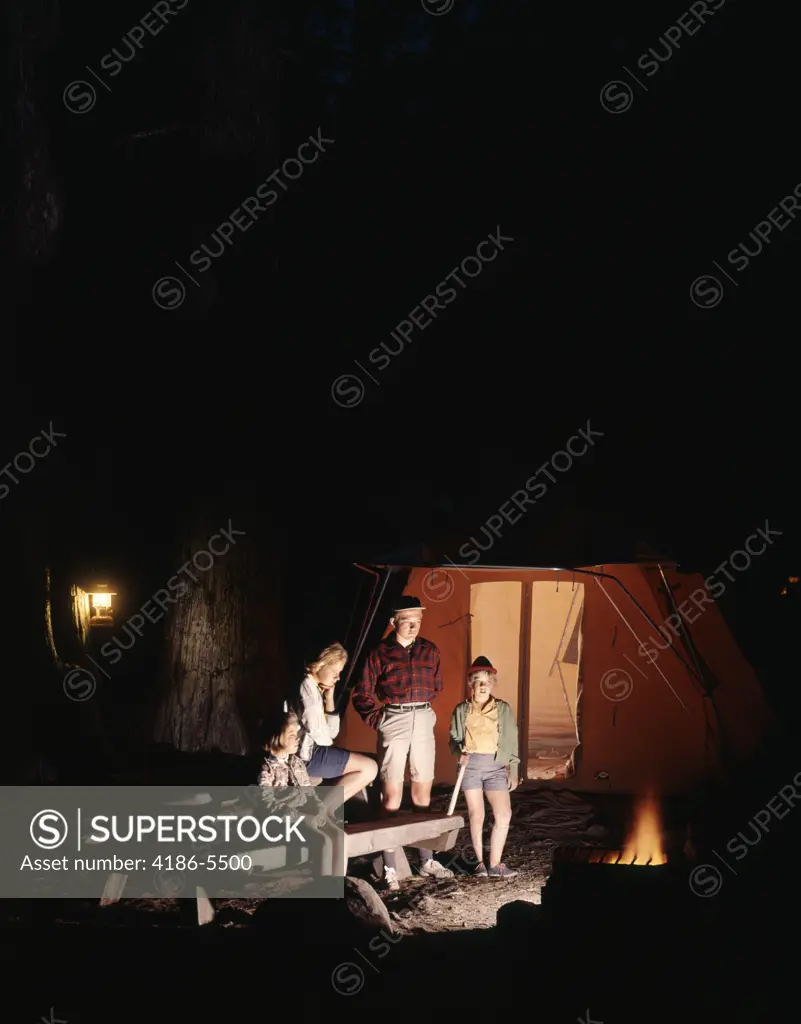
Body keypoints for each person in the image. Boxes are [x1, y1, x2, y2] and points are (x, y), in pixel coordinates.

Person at [352, 595, 453, 890]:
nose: (413, 627)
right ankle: (391, 868)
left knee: (422, 790)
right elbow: (363, 692)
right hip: (394, 718)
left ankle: (426, 859)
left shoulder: (429, 651)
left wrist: (422, 712)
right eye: (407, 621)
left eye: (417, 621)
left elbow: (437, 685)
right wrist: (379, 719)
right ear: (393, 622)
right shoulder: (380, 653)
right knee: (392, 796)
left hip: (422, 716)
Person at [449, 656, 520, 878]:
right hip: (471, 767)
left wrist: (513, 769)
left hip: (496, 766)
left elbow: (512, 739)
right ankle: (479, 864)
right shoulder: (462, 710)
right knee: (476, 815)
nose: (482, 685)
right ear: (471, 683)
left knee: (504, 814)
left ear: (492, 684)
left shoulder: (503, 709)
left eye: (487, 681)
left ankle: (496, 864)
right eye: (478, 681)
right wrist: (458, 753)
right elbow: (453, 739)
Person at [258, 709, 345, 876]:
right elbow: (267, 805)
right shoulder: (266, 769)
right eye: (291, 734)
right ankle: (324, 886)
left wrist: (318, 809)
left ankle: (338, 882)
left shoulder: (297, 762)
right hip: (283, 822)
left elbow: (309, 792)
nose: (297, 738)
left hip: (306, 816)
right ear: (276, 737)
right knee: (323, 841)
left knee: (339, 836)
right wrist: (302, 818)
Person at [295, 642, 378, 801]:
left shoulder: (315, 689)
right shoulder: (307, 692)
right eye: (335, 672)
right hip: (307, 757)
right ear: (320, 665)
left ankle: (325, 810)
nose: (338, 677)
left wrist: (329, 698)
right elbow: (322, 737)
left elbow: (332, 733)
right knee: (369, 768)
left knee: (371, 761)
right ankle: (324, 812)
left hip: (315, 751)